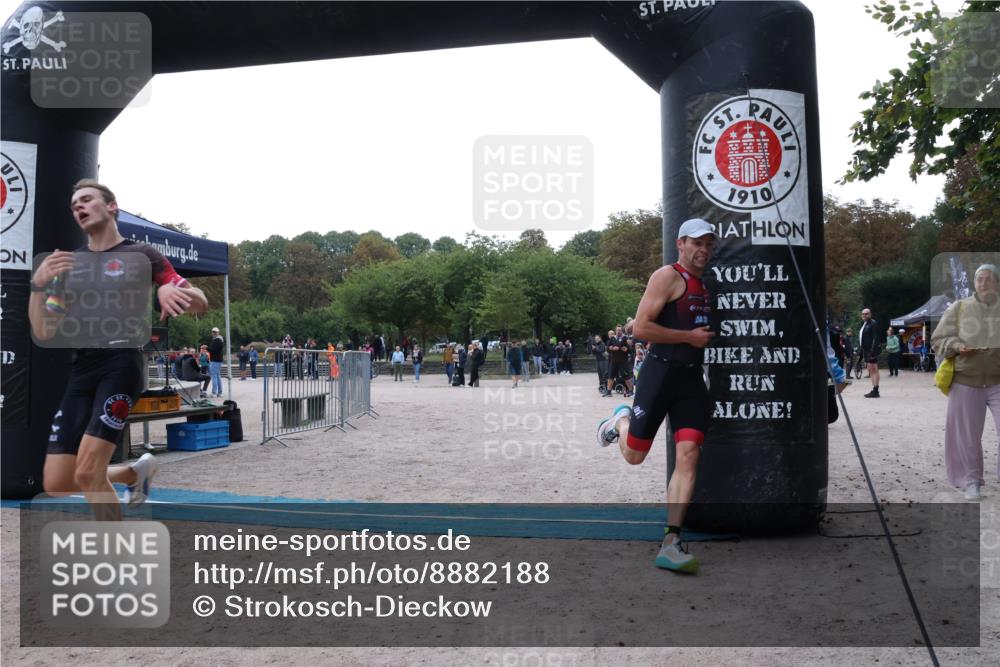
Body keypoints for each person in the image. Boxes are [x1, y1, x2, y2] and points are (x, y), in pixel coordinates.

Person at [29, 179, 207, 520]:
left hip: (120, 365)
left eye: (86, 199)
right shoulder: (69, 266)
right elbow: (43, 328)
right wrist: (39, 288)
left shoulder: (141, 255)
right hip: (81, 369)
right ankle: (132, 473)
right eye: (73, 205)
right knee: (58, 481)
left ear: (111, 206)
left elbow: (201, 302)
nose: (78, 207)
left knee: (87, 472)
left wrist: (167, 291)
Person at [595, 218, 716, 573]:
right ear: (681, 244)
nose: (704, 250)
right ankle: (619, 422)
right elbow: (641, 328)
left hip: (691, 381)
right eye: (697, 242)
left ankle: (671, 540)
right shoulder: (667, 276)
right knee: (634, 455)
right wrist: (689, 338)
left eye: (709, 244)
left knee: (689, 454)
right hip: (660, 375)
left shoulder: (705, 283)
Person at [931, 264, 1000, 501]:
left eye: (988, 279)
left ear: (997, 283)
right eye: (979, 279)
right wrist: (957, 346)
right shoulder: (960, 308)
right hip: (966, 379)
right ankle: (971, 480)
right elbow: (939, 338)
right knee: (967, 435)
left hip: (998, 380)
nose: (983, 283)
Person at [858, 308, 881, 397]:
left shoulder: (872, 323)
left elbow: (875, 337)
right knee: (871, 370)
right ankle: (875, 389)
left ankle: (876, 391)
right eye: (863, 314)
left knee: (874, 369)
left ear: (870, 314)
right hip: (866, 350)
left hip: (871, 351)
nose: (864, 315)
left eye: (866, 313)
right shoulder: (865, 324)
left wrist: (872, 351)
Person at [207, 326, 224, 397]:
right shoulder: (219, 340)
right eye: (213, 332)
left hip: (215, 360)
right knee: (217, 376)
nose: (213, 333)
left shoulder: (217, 340)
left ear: (218, 333)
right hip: (218, 360)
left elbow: (213, 351)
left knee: (214, 376)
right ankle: (219, 392)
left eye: (215, 332)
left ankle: (214, 392)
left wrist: (206, 348)